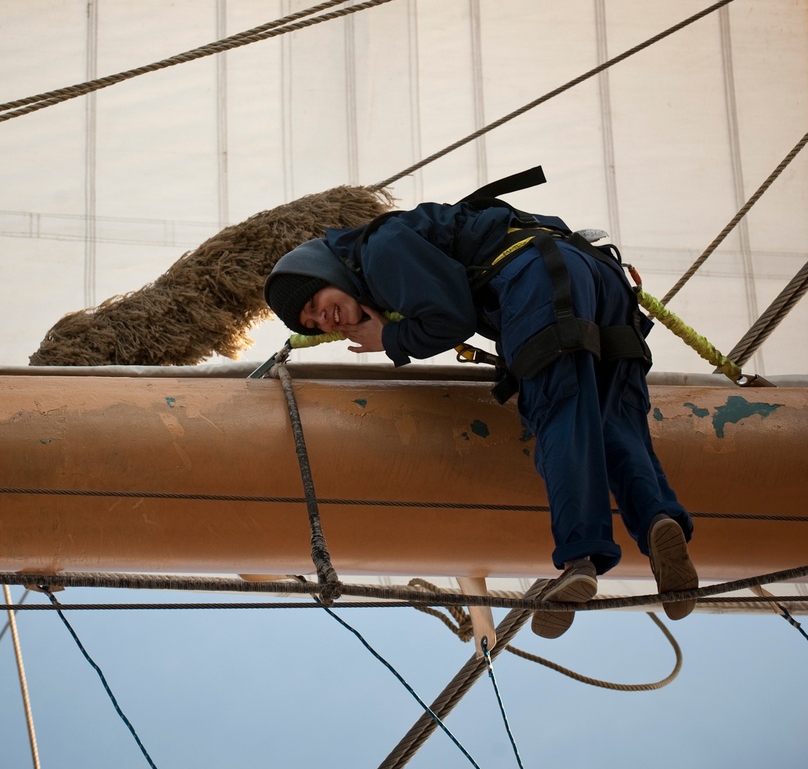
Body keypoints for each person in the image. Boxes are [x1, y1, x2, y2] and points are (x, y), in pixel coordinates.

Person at [264, 174, 698, 638]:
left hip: (537, 277)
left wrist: (391, 337)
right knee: (615, 422)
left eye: (314, 300)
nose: (320, 317)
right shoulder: (397, 245)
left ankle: (579, 557)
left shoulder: (378, 249)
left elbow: (451, 316)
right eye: (310, 321)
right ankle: (657, 521)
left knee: (559, 411)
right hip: (600, 279)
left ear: (327, 272)